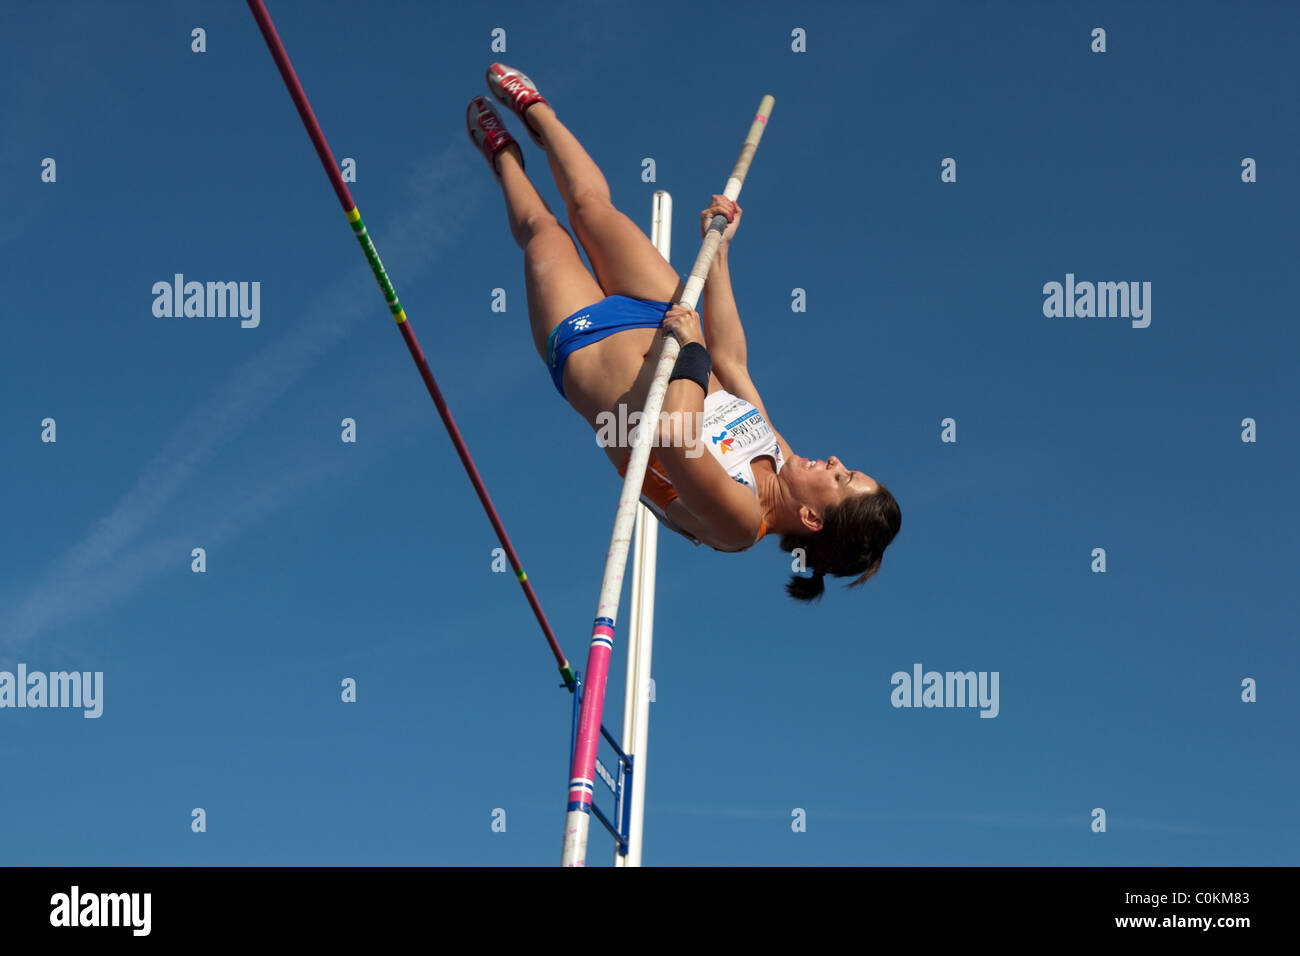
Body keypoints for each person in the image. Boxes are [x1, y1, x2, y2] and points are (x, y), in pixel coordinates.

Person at [466, 64, 900, 601]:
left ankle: (504, 157)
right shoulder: (779, 453)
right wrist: (718, 256)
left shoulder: (739, 523)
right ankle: (536, 109)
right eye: (847, 467)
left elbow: (674, 436)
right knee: (591, 208)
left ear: (811, 517)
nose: (835, 461)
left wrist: (691, 347)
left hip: (591, 353)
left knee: (544, 230)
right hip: (661, 314)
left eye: (841, 479)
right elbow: (733, 364)